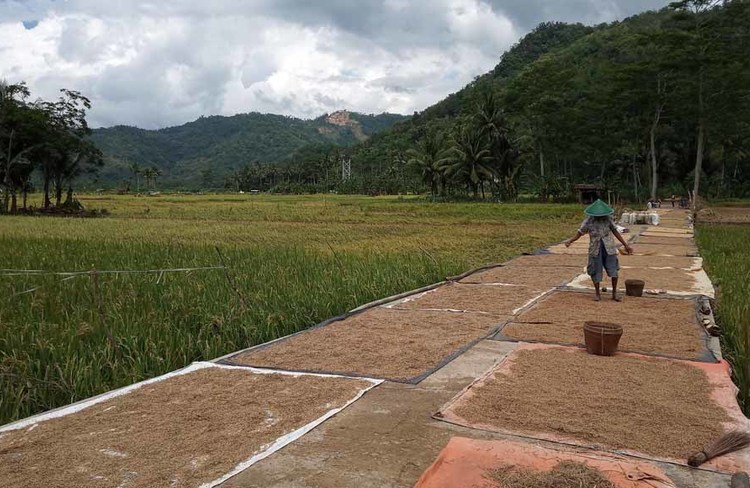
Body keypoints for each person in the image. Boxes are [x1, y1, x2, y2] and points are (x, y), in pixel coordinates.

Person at [565, 199, 633, 301]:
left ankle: (614, 293)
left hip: (609, 248)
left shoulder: (608, 219)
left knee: (613, 270)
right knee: (595, 271)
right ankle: (597, 293)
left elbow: (615, 231)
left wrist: (625, 245)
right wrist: (570, 241)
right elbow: (580, 233)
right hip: (595, 248)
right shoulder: (588, 221)